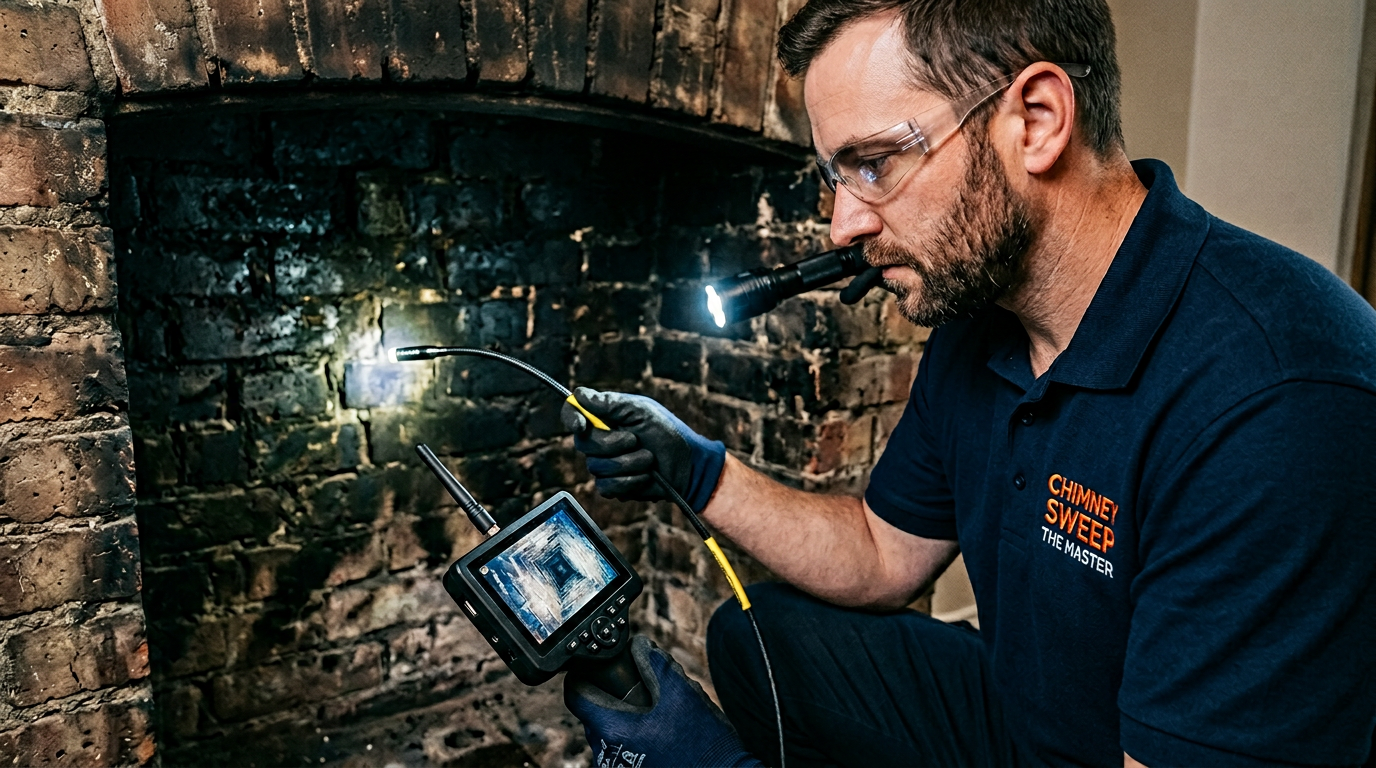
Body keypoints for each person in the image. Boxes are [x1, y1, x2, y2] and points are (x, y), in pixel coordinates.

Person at [560, 0, 1376, 765]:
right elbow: (884, 554)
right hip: (1032, 715)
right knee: (761, 637)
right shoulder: (983, 319)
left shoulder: (1280, 401)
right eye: (837, 177)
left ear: (1037, 120)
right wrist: (699, 471)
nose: (844, 225)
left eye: (876, 163)